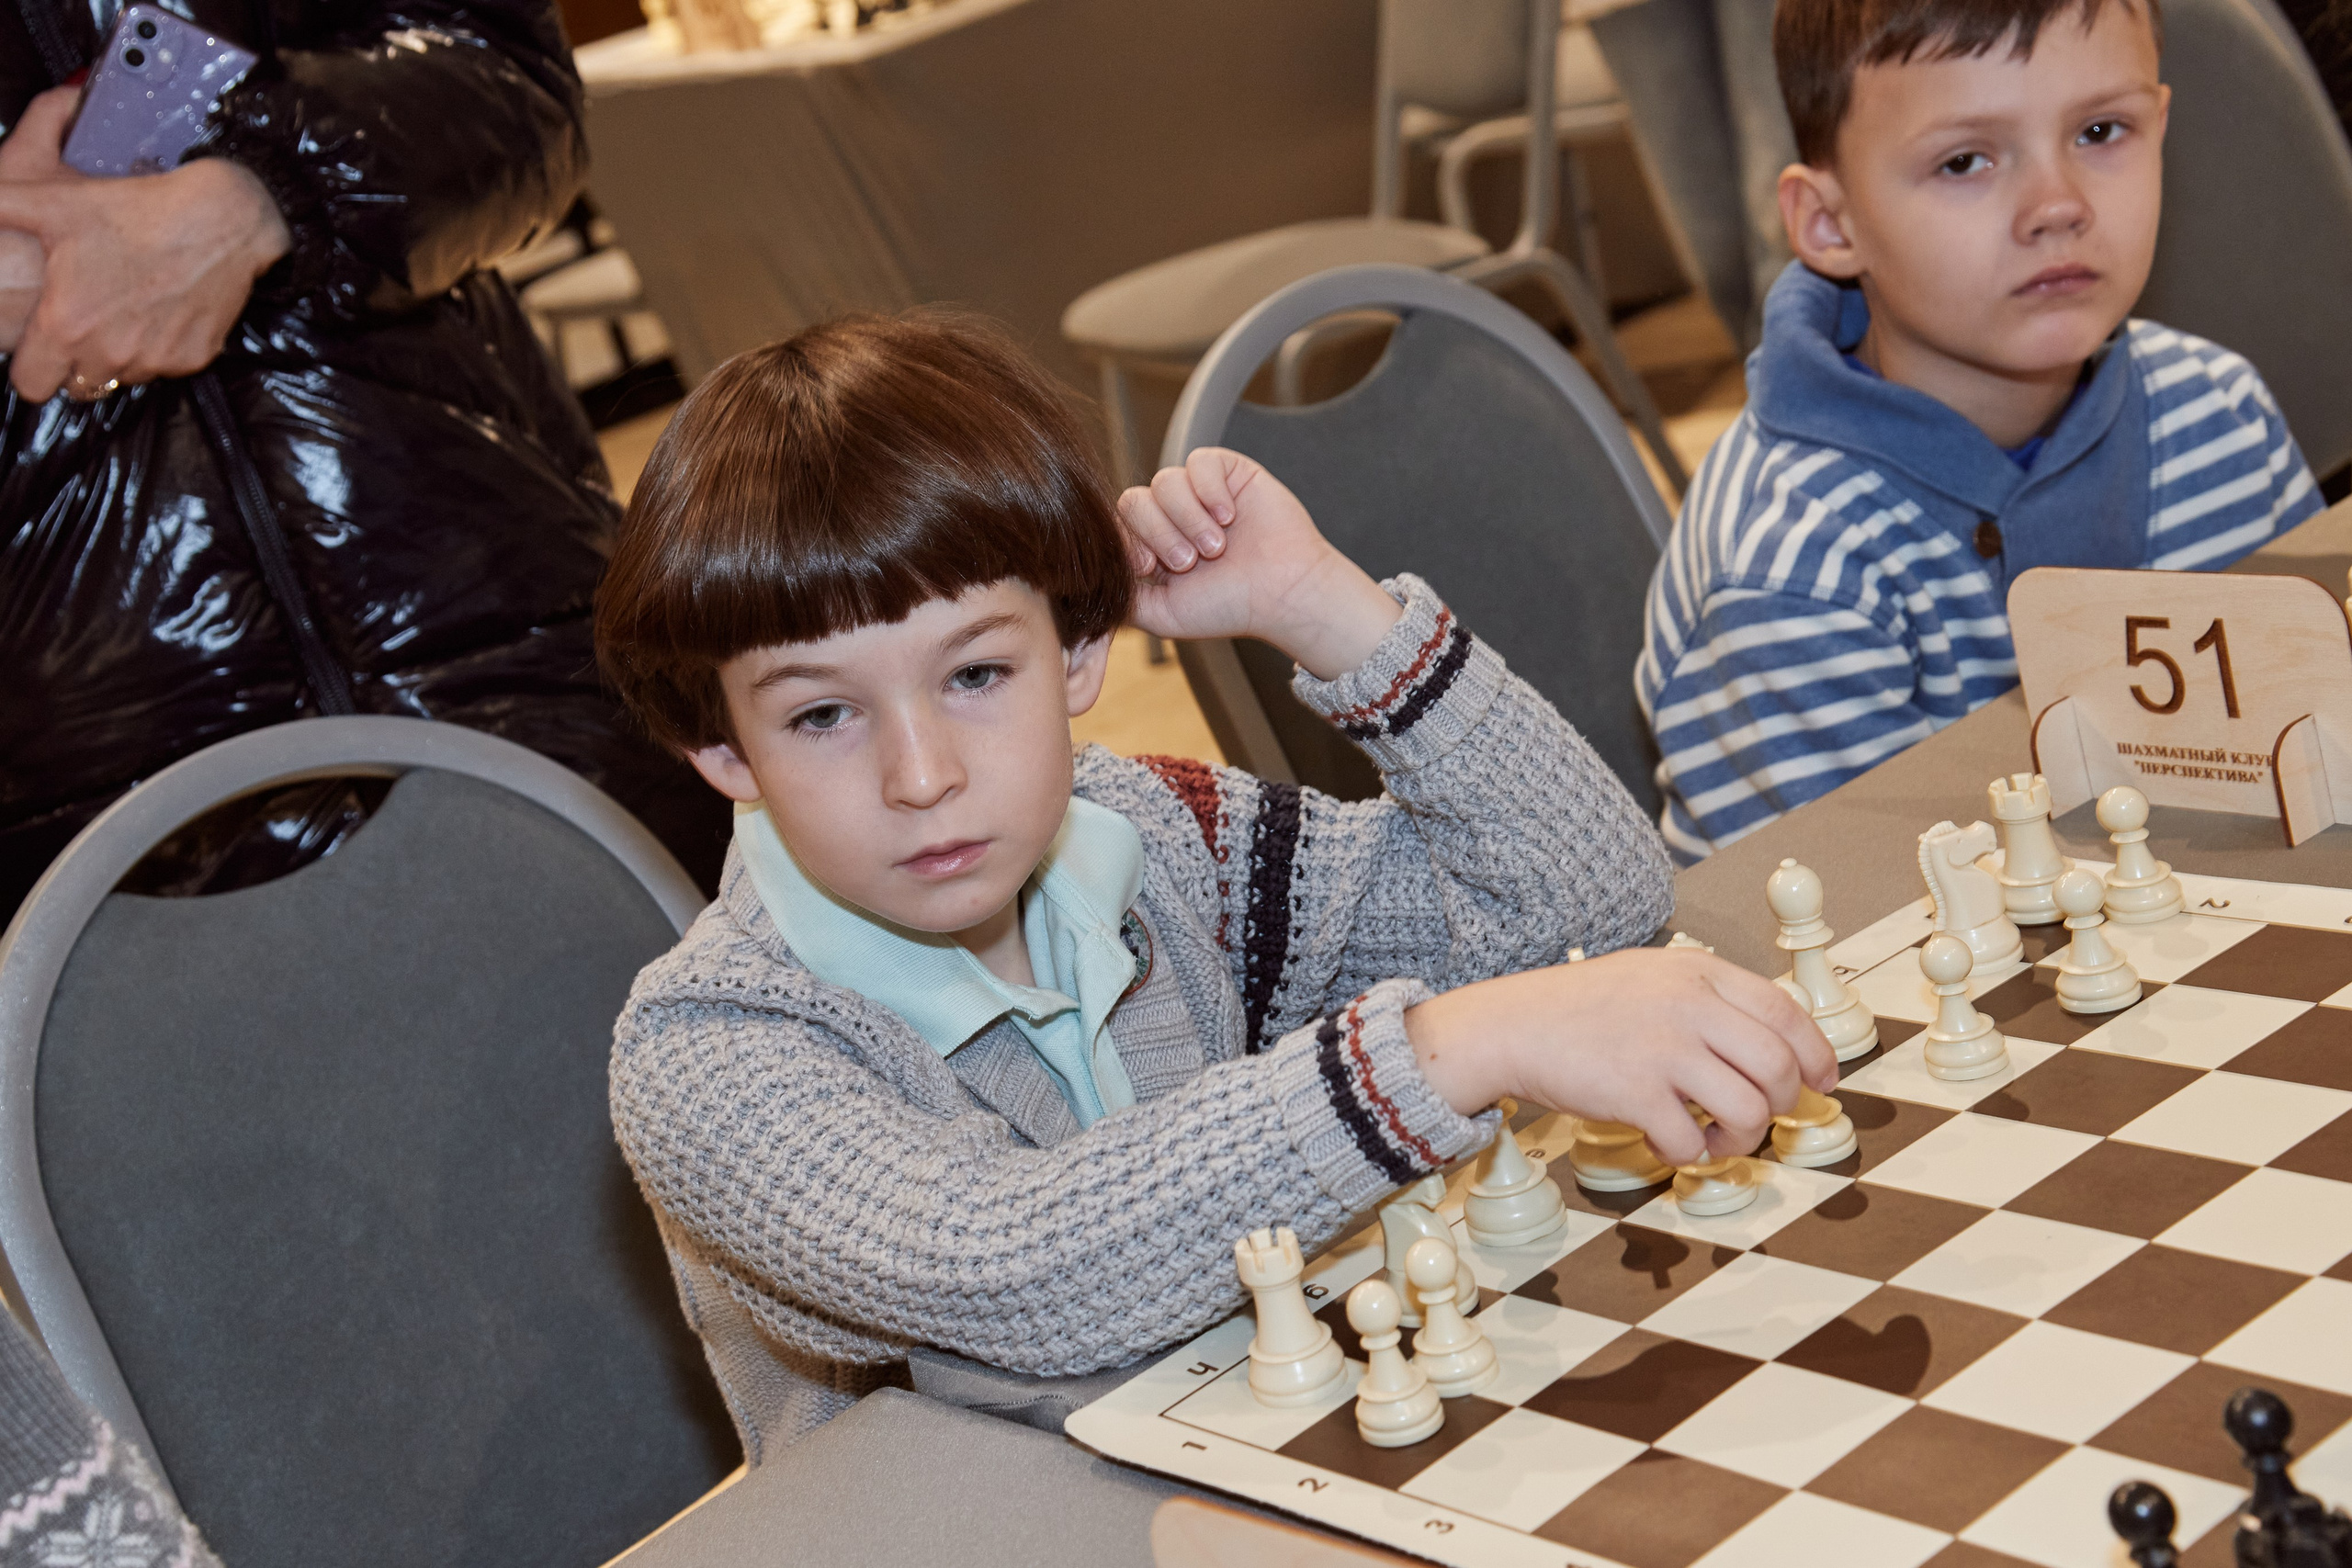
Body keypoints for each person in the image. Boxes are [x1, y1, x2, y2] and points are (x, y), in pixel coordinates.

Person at [595, 310, 1838, 1457]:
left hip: (1264, 1454)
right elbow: (1023, 1272)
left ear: (1077, 654)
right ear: (722, 749)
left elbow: (1585, 902)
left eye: (975, 675)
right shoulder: (709, 1049)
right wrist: (1450, 1047)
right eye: (821, 714)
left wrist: (1321, 607)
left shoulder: (1155, 831)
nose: (922, 776)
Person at [0, 0, 728, 920]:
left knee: (689, 982)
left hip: (507, 616)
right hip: (88, 795)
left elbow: (513, 80)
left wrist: (259, 194)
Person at [1634, 0, 2323, 861]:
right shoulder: (1793, 575)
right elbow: (1869, 915)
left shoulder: (2223, 413)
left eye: (2101, 131)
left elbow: (2318, 751)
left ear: (2161, 127)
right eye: (1964, 161)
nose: (2057, 205)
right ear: (1831, 224)